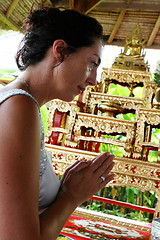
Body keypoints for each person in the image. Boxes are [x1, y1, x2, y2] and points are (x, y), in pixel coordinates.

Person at [0, 6, 115, 240]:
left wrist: (65, 190)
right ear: (60, 50)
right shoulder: (19, 107)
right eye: (92, 63)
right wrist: (71, 197)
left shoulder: (19, 102)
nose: (94, 79)